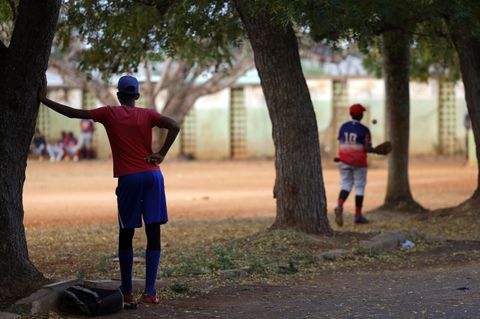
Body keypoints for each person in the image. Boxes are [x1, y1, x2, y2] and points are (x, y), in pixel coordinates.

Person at [38, 75, 180, 306]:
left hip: (129, 179)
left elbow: (74, 113)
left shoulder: (108, 113)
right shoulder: (148, 114)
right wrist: (161, 153)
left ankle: (127, 291)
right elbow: (174, 125)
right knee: (153, 232)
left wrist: (44, 99)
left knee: (127, 233)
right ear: (137, 95)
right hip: (153, 176)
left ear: (118, 95)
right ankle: (150, 292)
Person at [334, 103, 373, 226]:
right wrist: (375, 150)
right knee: (359, 187)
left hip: (343, 160)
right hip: (359, 162)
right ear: (361, 115)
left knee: (345, 185)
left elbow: (341, 142)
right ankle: (357, 215)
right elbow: (367, 147)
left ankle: (339, 205)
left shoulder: (343, 127)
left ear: (350, 114)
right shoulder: (364, 130)